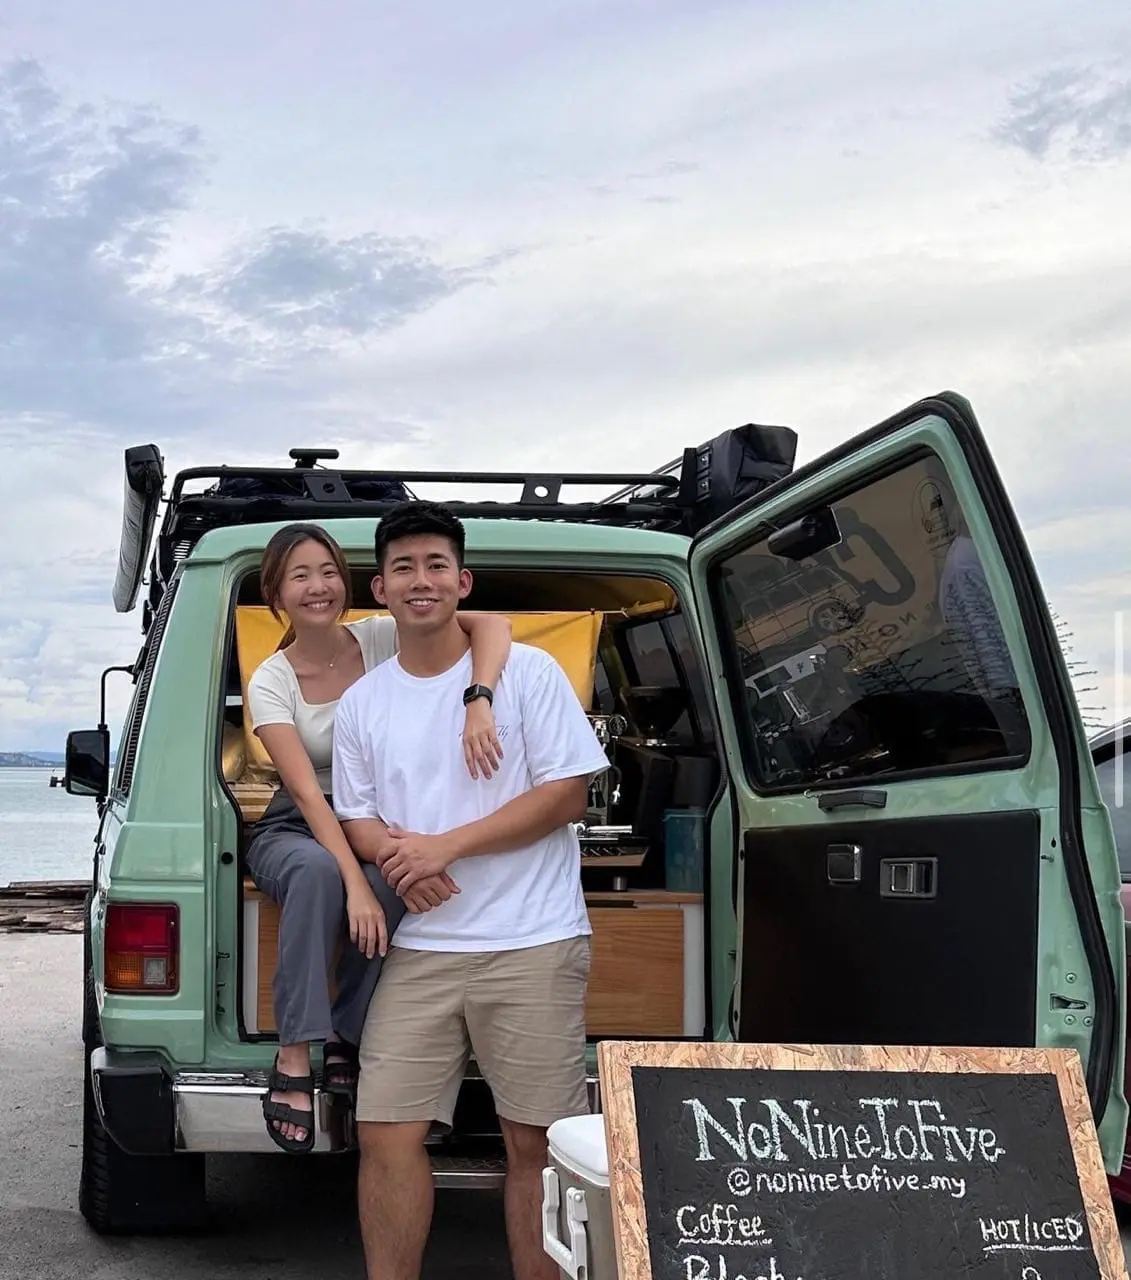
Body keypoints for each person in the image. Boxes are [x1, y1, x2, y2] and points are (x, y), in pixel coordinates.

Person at [331, 501, 609, 1280]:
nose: (421, 581)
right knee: (384, 1130)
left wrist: (444, 846)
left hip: (533, 941)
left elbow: (565, 796)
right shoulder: (364, 703)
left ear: (463, 581)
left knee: (536, 1141)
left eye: (435, 565)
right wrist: (398, 859)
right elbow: (356, 817)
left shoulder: (528, 673)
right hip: (421, 949)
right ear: (380, 590)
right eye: (403, 568)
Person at [244, 521, 512, 1153]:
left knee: (392, 879)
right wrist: (352, 888)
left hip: (379, 814)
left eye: (329, 572)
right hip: (298, 820)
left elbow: (493, 627)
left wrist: (480, 697)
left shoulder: (382, 634)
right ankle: (293, 1052)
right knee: (319, 874)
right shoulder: (270, 679)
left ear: (350, 582)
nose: (319, 587)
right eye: (300, 576)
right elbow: (310, 794)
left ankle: (346, 1032)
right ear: (277, 594)